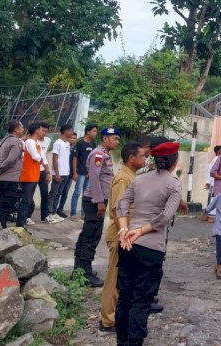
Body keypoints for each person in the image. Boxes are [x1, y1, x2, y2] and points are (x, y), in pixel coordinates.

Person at [115, 140, 182, 346]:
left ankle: (121, 341)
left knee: (125, 297)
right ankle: (134, 342)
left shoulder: (140, 179)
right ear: (174, 161)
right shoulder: (174, 184)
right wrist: (141, 231)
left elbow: (121, 204)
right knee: (142, 300)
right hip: (151, 248)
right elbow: (164, 217)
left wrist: (125, 229)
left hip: (127, 245)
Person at [100, 142, 145, 334]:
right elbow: (119, 210)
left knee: (123, 280)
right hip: (120, 236)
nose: (145, 158)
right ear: (131, 158)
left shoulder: (132, 176)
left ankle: (115, 316)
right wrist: (125, 234)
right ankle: (107, 320)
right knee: (114, 279)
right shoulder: (123, 179)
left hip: (126, 236)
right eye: (142, 156)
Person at [74, 127, 120, 287]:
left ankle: (79, 270)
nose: (117, 142)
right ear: (105, 139)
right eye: (114, 138)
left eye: (117, 139)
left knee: (87, 234)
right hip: (95, 201)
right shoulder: (98, 154)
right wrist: (99, 201)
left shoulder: (104, 154)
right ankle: (85, 273)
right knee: (91, 236)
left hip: (97, 200)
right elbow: (94, 178)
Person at [0, 120, 25, 228]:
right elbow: (11, 160)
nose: (23, 129)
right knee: (6, 205)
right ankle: (1, 227)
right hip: (10, 179)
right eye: (22, 127)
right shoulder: (16, 142)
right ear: (16, 129)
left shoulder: (4, 140)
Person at [19, 123, 46, 227]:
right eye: (41, 129)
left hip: (34, 175)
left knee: (28, 200)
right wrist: (40, 158)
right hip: (28, 176)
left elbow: (41, 158)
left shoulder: (36, 143)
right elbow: (36, 157)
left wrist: (41, 158)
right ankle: (20, 225)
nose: (42, 131)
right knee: (26, 201)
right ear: (36, 131)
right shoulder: (30, 141)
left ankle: (22, 224)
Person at [71, 124, 97, 220]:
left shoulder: (93, 144)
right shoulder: (80, 143)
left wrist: (91, 171)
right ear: (88, 132)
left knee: (86, 194)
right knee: (77, 192)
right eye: (94, 131)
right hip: (80, 172)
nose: (95, 133)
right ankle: (73, 214)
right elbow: (75, 158)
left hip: (89, 173)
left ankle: (83, 214)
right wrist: (75, 172)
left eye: (96, 131)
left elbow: (93, 159)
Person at [49, 125, 73, 219]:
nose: (72, 133)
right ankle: (49, 213)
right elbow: (55, 158)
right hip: (58, 174)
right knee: (53, 193)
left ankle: (54, 212)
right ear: (65, 131)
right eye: (70, 131)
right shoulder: (57, 143)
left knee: (59, 193)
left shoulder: (67, 143)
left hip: (66, 173)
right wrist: (57, 173)